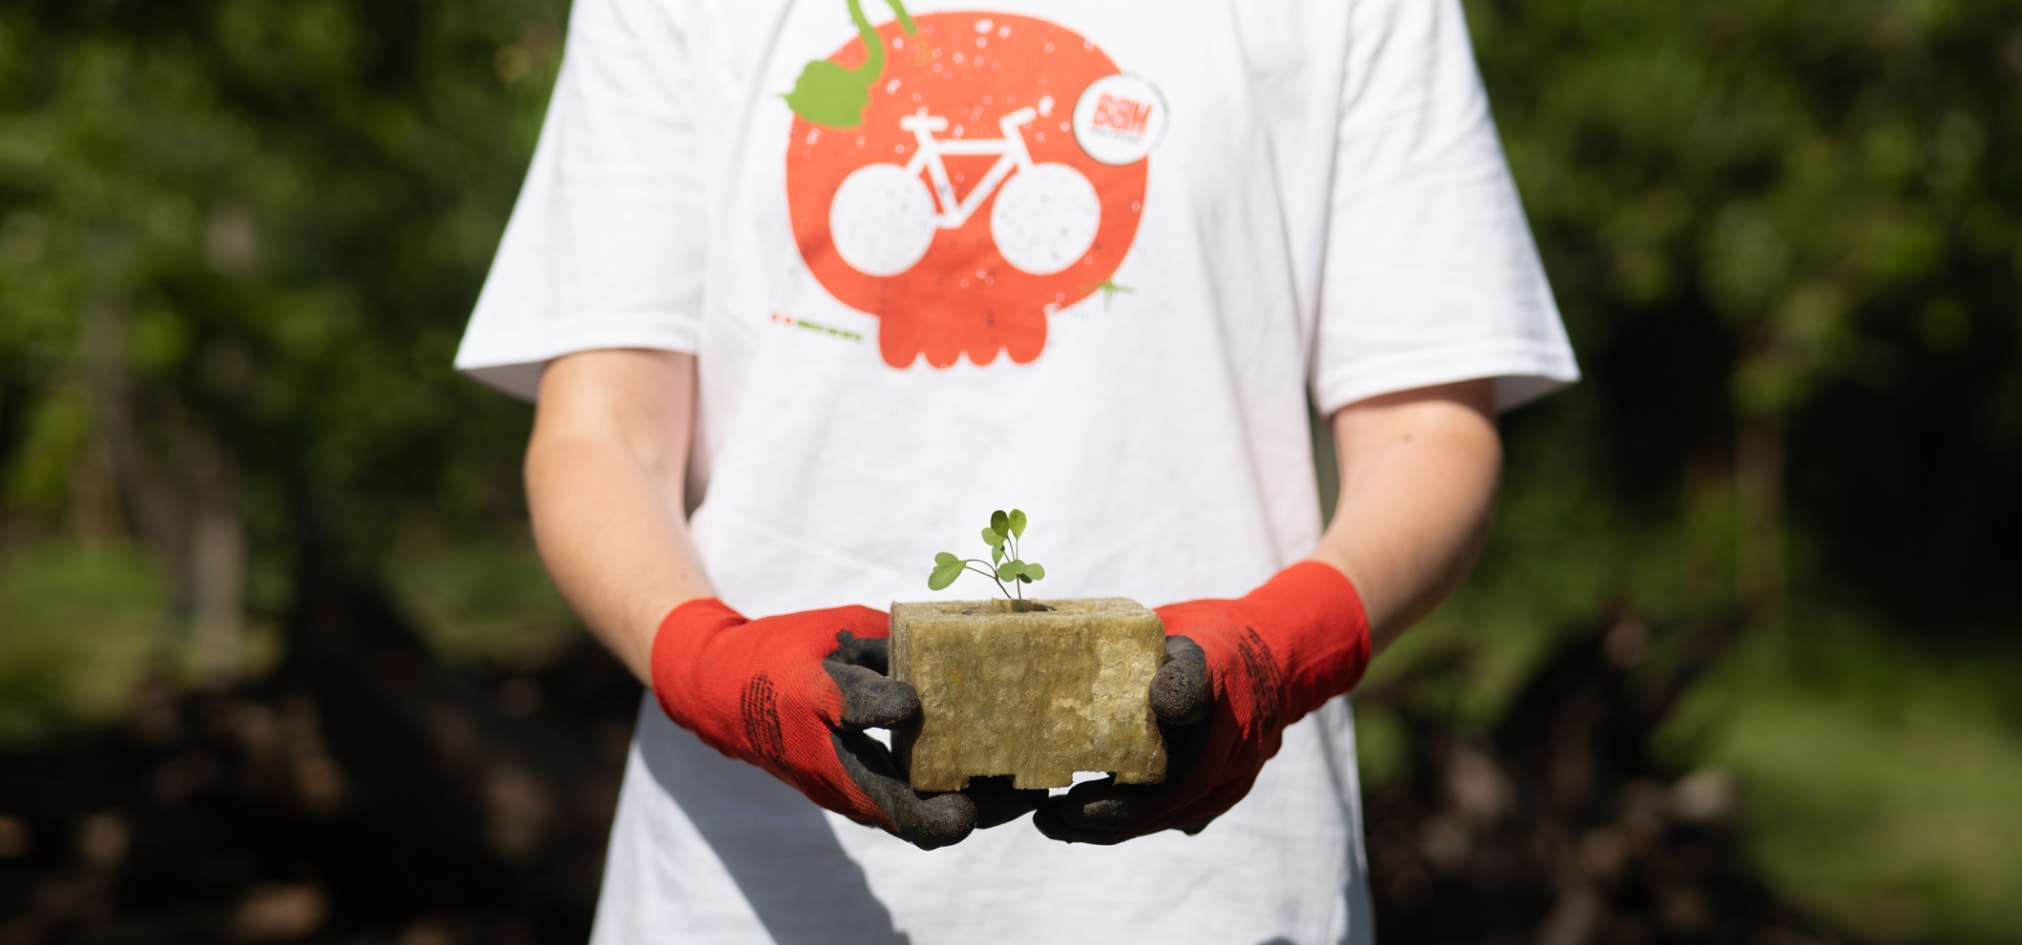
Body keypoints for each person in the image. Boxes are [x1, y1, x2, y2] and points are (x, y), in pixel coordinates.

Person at [455, 0, 1578, 940]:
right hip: (747, 892)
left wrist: (1287, 646)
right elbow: (602, 430)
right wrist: (713, 667)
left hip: (1217, 898)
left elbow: (1427, 431)